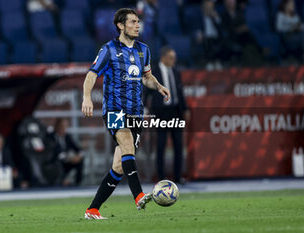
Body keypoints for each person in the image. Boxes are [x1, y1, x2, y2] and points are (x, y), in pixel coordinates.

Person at [82, 8, 170, 219]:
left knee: (119, 166)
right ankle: (138, 195)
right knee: (127, 144)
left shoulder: (144, 50)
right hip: (114, 109)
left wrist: (158, 86)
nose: (137, 25)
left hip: (135, 112)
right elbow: (91, 75)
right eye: (132, 22)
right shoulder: (109, 49)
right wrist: (86, 97)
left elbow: (146, 77)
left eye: (138, 22)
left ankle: (92, 209)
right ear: (121, 26)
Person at [145, 46, 188, 184]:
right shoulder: (153, 72)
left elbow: (179, 92)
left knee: (178, 145)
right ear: (163, 58)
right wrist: (145, 109)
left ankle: (177, 177)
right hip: (160, 112)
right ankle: (161, 177)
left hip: (175, 111)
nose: (173, 60)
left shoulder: (176, 72)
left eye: (174, 58)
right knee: (161, 145)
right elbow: (147, 93)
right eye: (171, 58)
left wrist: (185, 109)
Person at [222, 0, 263, 66]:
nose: (230, 4)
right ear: (225, 4)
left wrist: (242, 28)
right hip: (232, 37)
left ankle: (257, 52)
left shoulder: (239, 13)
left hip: (242, 36)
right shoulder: (223, 16)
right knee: (247, 35)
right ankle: (260, 49)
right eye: (228, 2)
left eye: (232, 2)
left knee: (248, 34)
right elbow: (227, 29)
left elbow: (244, 24)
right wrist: (239, 29)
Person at [49, 118, 84, 186]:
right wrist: (70, 158)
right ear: (57, 126)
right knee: (59, 162)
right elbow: (56, 153)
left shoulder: (67, 137)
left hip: (66, 161)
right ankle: (61, 181)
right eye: (62, 126)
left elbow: (78, 149)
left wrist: (79, 156)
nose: (64, 128)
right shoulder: (51, 137)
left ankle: (78, 184)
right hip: (55, 162)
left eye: (65, 126)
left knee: (80, 161)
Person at [197, 0, 224, 70]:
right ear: (203, 6)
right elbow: (197, 29)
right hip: (206, 38)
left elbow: (221, 28)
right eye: (208, 5)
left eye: (211, 5)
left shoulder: (216, 15)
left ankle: (217, 61)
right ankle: (210, 62)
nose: (209, 6)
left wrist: (216, 17)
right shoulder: (200, 18)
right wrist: (199, 33)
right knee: (208, 41)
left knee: (217, 41)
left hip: (216, 38)